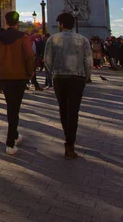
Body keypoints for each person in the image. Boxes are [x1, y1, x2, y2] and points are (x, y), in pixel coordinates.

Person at [44, 12, 92, 159]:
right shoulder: (83, 40)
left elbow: (47, 60)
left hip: (60, 77)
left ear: (60, 24)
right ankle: (70, 143)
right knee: (74, 111)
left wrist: (52, 74)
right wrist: (87, 77)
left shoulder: (53, 39)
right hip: (77, 78)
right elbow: (88, 61)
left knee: (63, 109)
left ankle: (67, 137)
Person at [0, 11, 35, 155]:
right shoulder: (23, 36)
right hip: (19, 76)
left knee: (11, 108)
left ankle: (15, 135)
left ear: (5, 22)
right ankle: (10, 142)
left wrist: (1, 70)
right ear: (17, 22)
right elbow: (29, 56)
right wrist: (30, 73)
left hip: (4, 77)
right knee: (14, 109)